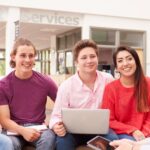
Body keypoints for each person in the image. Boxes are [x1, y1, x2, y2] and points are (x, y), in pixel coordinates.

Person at [49, 39, 117, 150]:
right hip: (73, 132)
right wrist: (56, 125)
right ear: (76, 62)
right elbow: (55, 116)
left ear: (97, 58)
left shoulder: (108, 80)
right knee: (62, 142)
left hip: (100, 130)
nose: (89, 61)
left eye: (92, 56)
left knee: (113, 140)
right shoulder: (66, 86)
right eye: (84, 58)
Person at [0, 38, 58, 150]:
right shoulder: (3, 85)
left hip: (39, 129)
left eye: (31, 56)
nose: (27, 60)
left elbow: (62, 103)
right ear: (13, 57)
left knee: (49, 139)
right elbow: (4, 120)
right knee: (8, 144)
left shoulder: (45, 81)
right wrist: (23, 131)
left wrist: (55, 122)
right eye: (23, 55)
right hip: (12, 130)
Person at [101, 46, 150, 141]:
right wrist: (132, 130)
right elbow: (109, 120)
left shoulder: (148, 83)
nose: (125, 63)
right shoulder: (110, 88)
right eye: (120, 61)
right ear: (116, 67)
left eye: (129, 59)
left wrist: (144, 133)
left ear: (136, 61)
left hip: (144, 133)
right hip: (122, 133)